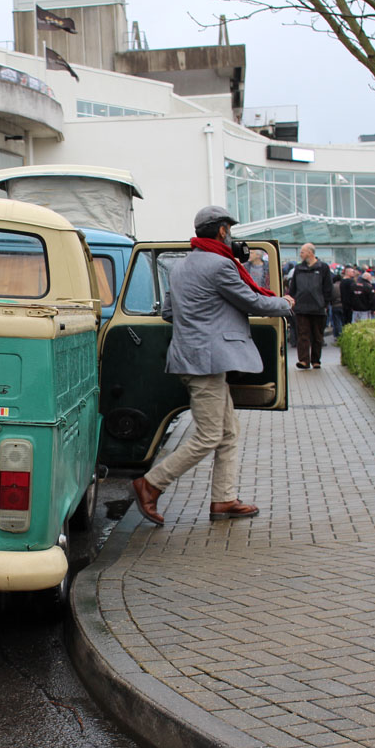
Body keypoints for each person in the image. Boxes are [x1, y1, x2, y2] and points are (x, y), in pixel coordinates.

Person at [130, 206, 295, 526]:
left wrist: (202, 318)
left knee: (228, 432)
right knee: (208, 436)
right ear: (221, 231)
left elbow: (168, 313)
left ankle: (224, 499)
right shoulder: (221, 266)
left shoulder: (181, 266)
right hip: (205, 363)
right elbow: (253, 302)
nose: (231, 234)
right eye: (229, 229)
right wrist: (284, 304)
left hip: (196, 359)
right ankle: (150, 484)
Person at [287, 242, 331, 369]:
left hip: (318, 307)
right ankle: (304, 360)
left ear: (310, 253)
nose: (300, 254)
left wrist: (325, 303)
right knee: (303, 335)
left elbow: (328, 287)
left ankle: (316, 360)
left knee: (317, 336)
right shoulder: (298, 269)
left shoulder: (323, 267)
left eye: (302, 252)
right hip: (301, 308)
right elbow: (293, 287)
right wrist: (293, 301)